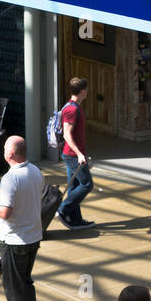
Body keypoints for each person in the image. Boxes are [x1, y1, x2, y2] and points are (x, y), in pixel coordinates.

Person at [0, 136, 44, 301]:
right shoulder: (36, 171)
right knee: (26, 282)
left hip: (15, 240)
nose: (3, 151)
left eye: (4, 148)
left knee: (14, 286)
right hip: (33, 236)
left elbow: (6, 212)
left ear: (10, 154)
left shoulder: (10, 178)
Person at [56, 75, 96, 229]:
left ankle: (75, 219)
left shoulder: (71, 106)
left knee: (74, 186)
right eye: (86, 90)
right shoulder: (72, 109)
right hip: (72, 155)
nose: (87, 92)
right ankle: (63, 209)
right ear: (83, 91)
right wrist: (79, 154)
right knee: (87, 184)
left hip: (73, 154)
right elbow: (67, 134)